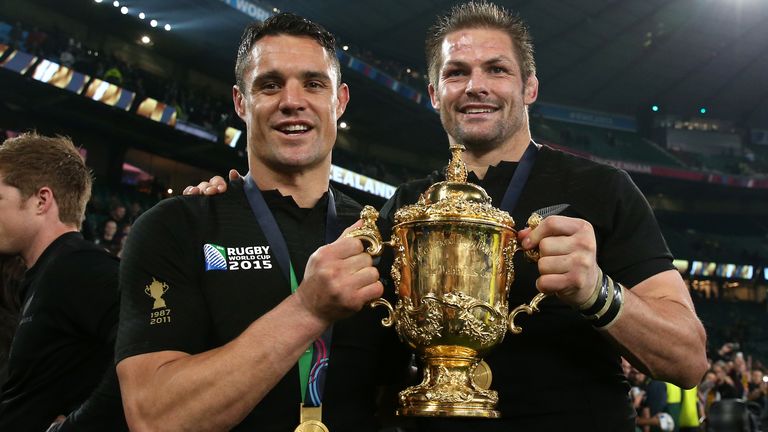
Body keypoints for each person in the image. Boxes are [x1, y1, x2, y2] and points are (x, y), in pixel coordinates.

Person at [190, 2, 707, 431]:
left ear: (529, 88)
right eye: (456, 73)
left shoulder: (601, 189)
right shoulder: (404, 209)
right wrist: (227, 201)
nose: (475, 86)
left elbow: (688, 360)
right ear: (436, 94)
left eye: (496, 70)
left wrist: (599, 290)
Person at [115, 13, 406, 432]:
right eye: (270, 85)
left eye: (313, 83)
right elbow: (155, 418)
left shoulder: (385, 238)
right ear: (240, 102)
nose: (292, 100)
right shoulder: (176, 225)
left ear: (339, 101)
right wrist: (307, 310)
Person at [0, 133, 127, 431]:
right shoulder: (48, 272)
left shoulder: (78, 266)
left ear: (42, 200)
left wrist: (77, 425)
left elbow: (147, 345)